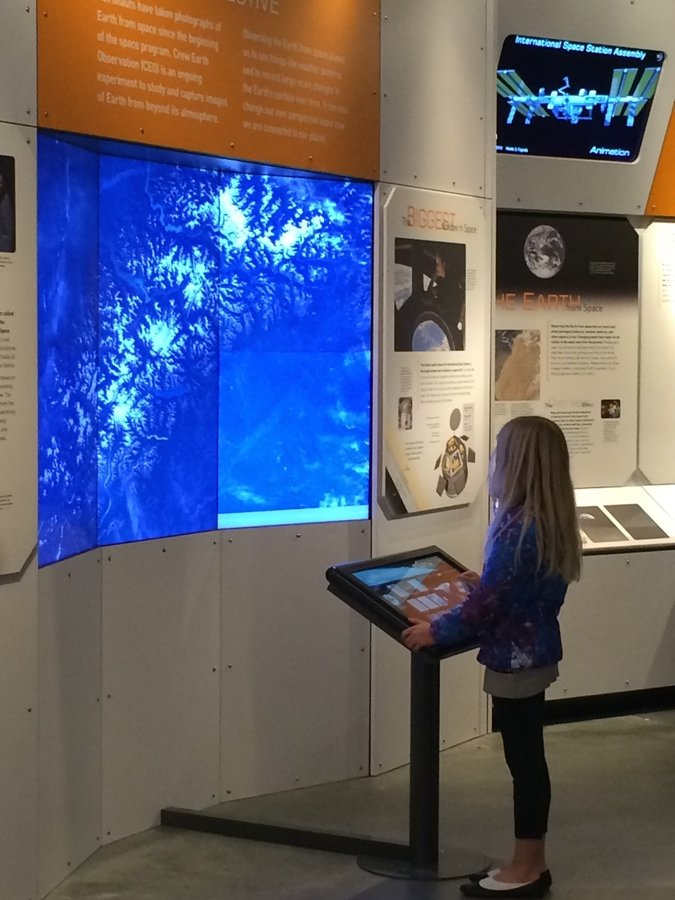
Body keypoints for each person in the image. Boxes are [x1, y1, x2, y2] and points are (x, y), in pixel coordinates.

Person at [402, 416, 581, 899]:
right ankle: (531, 861)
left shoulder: (517, 528)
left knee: (524, 763)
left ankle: (526, 867)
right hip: (537, 652)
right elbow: (519, 590)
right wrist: (485, 585)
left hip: (515, 660)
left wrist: (434, 630)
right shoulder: (550, 520)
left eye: (501, 452)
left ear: (518, 461)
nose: (494, 461)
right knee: (529, 761)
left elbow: (488, 607)